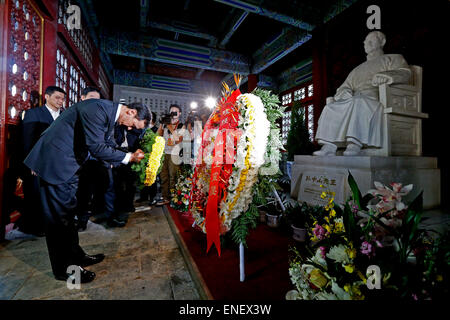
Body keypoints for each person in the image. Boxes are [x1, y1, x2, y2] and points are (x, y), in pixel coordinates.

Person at [23, 99, 150, 283]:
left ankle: (76, 256)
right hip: (55, 163)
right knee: (58, 220)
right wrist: (128, 157)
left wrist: (128, 156)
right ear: (131, 112)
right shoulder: (97, 108)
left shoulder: (107, 114)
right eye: (133, 125)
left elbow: (106, 145)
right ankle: (65, 270)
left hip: (70, 165)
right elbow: (96, 147)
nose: (130, 129)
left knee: (68, 215)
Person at [313, 31, 411, 156]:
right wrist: (345, 92)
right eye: (365, 41)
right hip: (354, 98)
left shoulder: (393, 58)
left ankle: (355, 143)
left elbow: (405, 73)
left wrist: (386, 76)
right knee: (330, 107)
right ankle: (330, 145)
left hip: (376, 97)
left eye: (371, 40)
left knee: (359, 102)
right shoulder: (357, 69)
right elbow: (343, 87)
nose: (366, 43)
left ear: (382, 42)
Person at [17, 86, 66, 236]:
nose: (60, 101)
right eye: (57, 97)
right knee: (37, 196)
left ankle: (55, 224)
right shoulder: (34, 114)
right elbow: (28, 141)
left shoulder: (65, 115)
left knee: (57, 196)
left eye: (62, 98)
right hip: (39, 163)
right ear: (47, 97)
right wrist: (33, 163)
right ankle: (37, 228)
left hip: (60, 163)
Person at [156, 105, 185, 206]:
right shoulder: (165, 124)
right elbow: (158, 136)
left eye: (175, 112)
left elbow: (178, 140)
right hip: (164, 153)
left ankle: (174, 197)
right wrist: (161, 124)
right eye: (171, 111)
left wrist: (170, 127)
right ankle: (165, 197)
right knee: (164, 176)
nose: (173, 113)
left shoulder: (181, 125)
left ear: (179, 113)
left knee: (173, 176)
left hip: (175, 154)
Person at [137, 112, 159, 205]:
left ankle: (152, 197)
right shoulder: (143, 128)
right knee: (143, 177)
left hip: (153, 156)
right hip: (143, 155)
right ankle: (143, 196)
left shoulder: (156, 129)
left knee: (152, 178)